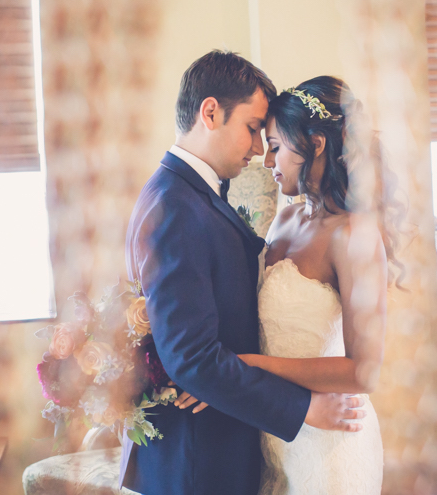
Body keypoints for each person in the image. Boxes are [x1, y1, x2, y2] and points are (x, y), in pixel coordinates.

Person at [120, 53, 365, 495]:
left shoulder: (189, 193)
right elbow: (193, 360)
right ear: (210, 112)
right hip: (198, 459)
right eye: (253, 129)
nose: (258, 150)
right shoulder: (177, 206)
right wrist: (302, 408)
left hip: (235, 439)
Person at [177, 76, 400, 494]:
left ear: (316, 143)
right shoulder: (284, 220)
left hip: (330, 441)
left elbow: (365, 371)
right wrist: (217, 375)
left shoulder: (356, 236)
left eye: (276, 147)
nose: (266, 161)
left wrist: (254, 365)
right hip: (274, 432)